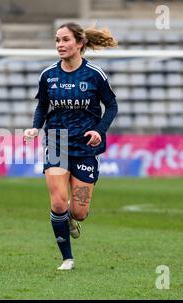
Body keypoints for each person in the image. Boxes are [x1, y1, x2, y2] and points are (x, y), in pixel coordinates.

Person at [24, 22, 118, 270]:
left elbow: (112, 106)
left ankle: (71, 220)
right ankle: (67, 258)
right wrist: (35, 127)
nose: (60, 45)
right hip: (57, 141)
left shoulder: (95, 74)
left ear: (80, 43)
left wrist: (99, 131)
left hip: (86, 146)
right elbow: (43, 106)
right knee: (57, 203)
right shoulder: (48, 75)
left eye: (65, 40)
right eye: (57, 40)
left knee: (79, 212)